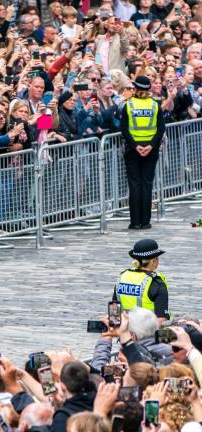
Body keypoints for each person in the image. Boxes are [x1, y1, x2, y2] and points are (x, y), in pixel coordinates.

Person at [120, 75, 166, 230]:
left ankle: (135, 222)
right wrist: (151, 145)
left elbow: (124, 129)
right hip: (151, 149)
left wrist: (135, 145)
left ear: (136, 88)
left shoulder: (129, 104)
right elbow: (161, 129)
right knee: (147, 184)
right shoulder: (155, 105)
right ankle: (145, 221)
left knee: (134, 184)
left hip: (133, 149)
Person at [114, 238, 170, 323]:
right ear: (153, 261)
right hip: (148, 333)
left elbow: (114, 313)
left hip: (125, 331)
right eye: (157, 258)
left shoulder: (122, 278)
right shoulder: (157, 283)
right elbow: (160, 319)